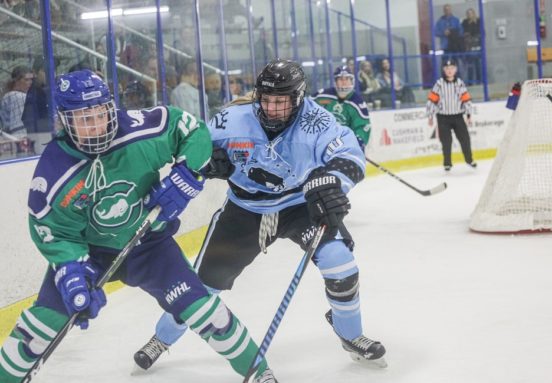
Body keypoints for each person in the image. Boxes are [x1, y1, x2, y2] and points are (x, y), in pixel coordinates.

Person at [0, 70, 278, 383]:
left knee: (207, 313)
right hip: (90, 254)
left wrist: (186, 175)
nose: (93, 127)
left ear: (110, 107)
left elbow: (192, 131)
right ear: (65, 121)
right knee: (37, 331)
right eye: (82, 119)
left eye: (98, 115)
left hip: (150, 244)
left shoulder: (141, 129)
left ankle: (258, 372)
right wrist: (70, 270)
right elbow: (52, 230)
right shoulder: (54, 168)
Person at [133, 58, 386, 371]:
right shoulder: (231, 119)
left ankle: (351, 333)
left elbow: (348, 154)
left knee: (340, 263)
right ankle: (162, 338)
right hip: (244, 211)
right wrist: (206, 161)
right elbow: (195, 145)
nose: (273, 109)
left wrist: (332, 181)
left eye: (282, 102)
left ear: (298, 97)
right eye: (267, 100)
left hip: (298, 206)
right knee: (202, 286)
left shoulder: (316, 120)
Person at [426, 60, 475, 171]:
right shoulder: (439, 84)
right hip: (443, 117)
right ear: (444, 70)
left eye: (452, 68)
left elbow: (466, 100)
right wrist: (430, 116)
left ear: (455, 70)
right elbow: (432, 100)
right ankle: (447, 163)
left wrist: (468, 115)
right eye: (447, 68)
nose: (449, 70)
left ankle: (469, 160)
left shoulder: (460, 83)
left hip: (458, 116)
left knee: (465, 139)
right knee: (446, 141)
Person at [311, 65, 371, 151]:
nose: (344, 82)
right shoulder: (322, 96)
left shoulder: (357, 101)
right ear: (335, 81)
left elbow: (363, 126)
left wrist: (358, 142)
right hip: (322, 146)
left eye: (347, 79)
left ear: (352, 81)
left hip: (346, 146)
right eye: (340, 79)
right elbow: (306, 108)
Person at [0, 65, 34, 139]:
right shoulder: (17, 96)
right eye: (26, 79)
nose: (30, 82)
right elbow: (18, 129)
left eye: (31, 79)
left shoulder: (9, 95)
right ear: (16, 81)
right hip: (18, 139)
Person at [461, 8, 482, 84]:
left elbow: (482, 33)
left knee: (478, 65)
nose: (469, 15)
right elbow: (463, 34)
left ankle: (479, 81)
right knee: (470, 66)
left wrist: (476, 38)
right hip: (468, 47)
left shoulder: (478, 22)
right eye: (468, 13)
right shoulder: (465, 23)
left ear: (474, 13)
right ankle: (470, 82)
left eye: (471, 13)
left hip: (477, 47)